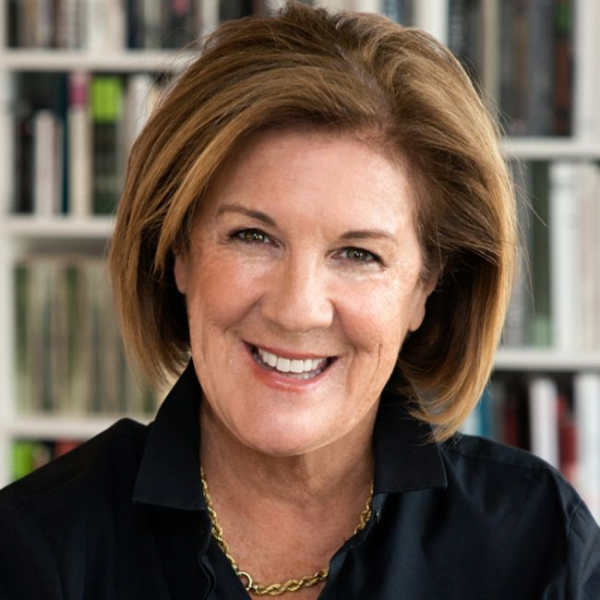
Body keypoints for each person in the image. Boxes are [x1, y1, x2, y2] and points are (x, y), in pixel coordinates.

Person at [1, 2, 599, 598]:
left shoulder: (537, 540)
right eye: (253, 237)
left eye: (359, 254)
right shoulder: (36, 545)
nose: (298, 309)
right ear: (178, 252)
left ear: (425, 289)